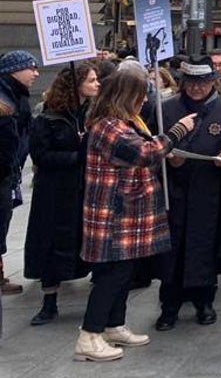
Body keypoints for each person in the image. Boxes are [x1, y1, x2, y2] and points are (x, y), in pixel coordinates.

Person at [77, 71, 197, 362]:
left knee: (124, 271)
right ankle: (89, 336)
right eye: (139, 94)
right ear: (124, 96)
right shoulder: (108, 127)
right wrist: (177, 131)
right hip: (113, 213)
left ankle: (113, 325)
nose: (144, 99)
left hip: (124, 212)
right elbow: (145, 152)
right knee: (112, 275)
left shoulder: (120, 123)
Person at [154, 56, 221, 331]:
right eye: (192, 83)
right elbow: (151, 144)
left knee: (206, 247)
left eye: (203, 83)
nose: (197, 88)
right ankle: (169, 306)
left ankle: (204, 302)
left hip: (210, 188)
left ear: (214, 82)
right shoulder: (166, 108)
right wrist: (167, 157)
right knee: (172, 250)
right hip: (175, 188)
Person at [25, 62, 99, 325]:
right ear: (76, 84)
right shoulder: (48, 117)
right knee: (51, 243)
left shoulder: (93, 114)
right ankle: (49, 301)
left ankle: (98, 297)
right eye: (91, 80)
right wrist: (76, 156)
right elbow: (41, 156)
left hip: (85, 190)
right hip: (55, 193)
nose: (96, 84)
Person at [0, 49, 37, 296]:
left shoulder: (17, 96)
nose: (35, 73)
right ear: (14, 70)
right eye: (30, 68)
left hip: (8, 172)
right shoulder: (5, 100)